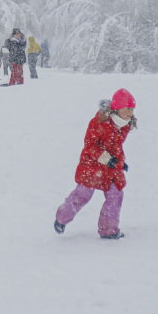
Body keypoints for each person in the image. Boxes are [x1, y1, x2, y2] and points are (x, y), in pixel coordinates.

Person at [54, 88, 137, 239]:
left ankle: (109, 230)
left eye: (132, 109)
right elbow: (90, 144)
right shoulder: (100, 122)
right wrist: (105, 158)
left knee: (116, 195)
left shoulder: (125, 124)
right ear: (117, 108)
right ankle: (62, 218)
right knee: (83, 195)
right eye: (127, 108)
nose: (130, 113)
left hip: (111, 168)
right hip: (92, 165)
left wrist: (120, 162)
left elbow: (116, 146)